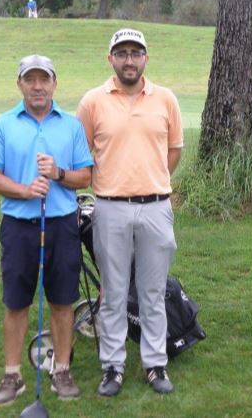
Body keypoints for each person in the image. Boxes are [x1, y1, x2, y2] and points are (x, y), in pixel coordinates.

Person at [76, 28, 184, 396]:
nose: (128, 60)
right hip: (110, 208)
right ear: (111, 59)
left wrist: (151, 181)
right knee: (114, 292)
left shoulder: (165, 99)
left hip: (155, 206)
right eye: (121, 53)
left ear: (145, 59)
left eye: (135, 53)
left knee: (153, 292)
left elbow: (173, 152)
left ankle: (155, 364)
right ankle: (113, 366)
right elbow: (82, 153)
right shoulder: (93, 101)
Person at [0, 54, 93, 405]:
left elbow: (86, 176)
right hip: (18, 226)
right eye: (29, 79)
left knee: (62, 300)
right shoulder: (3, 124)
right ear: (20, 84)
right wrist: (25, 190)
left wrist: (58, 173)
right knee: (16, 302)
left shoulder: (71, 126)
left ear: (54, 83)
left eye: (43, 79)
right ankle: (12, 374)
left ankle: (62, 369)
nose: (37, 86)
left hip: (61, 224)